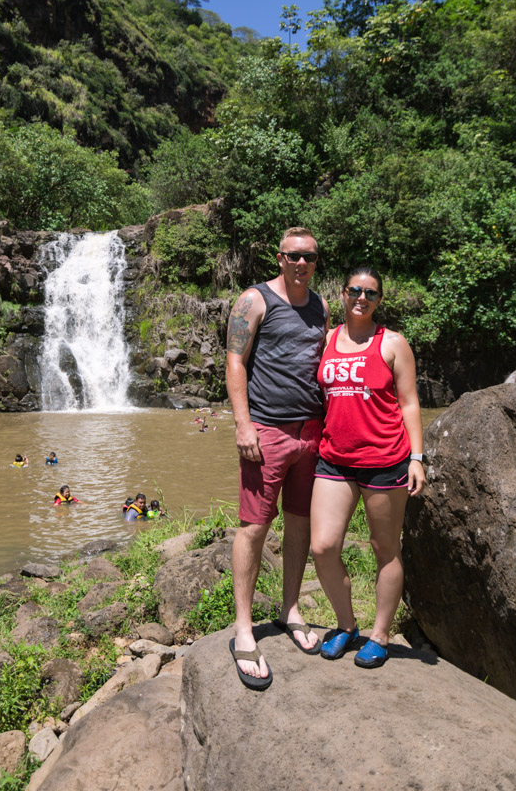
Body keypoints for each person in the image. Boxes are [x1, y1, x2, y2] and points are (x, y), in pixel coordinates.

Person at [226, 227, 329, 689]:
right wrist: (243, 424)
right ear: (280, 258)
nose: (302, 263)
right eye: (294, 256)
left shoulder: (321, 306)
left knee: (300, 523)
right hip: (266, 431)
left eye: (310, 256)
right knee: (253, 527)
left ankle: (290, 608)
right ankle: (243, 629)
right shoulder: (255, 300)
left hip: (311, 433)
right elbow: (235, 361)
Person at [310, 265, 425, 669]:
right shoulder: (325, 340)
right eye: (355, 291)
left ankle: (379, 635)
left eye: (371, 293)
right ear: (343, 293)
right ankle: (346, 625)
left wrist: (417, 458)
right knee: (323, 547)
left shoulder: (392, 343)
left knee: (384, 548)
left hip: (385, 459)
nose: (362, 298)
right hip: (334, 458)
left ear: (379, 300)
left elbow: (409, 403)